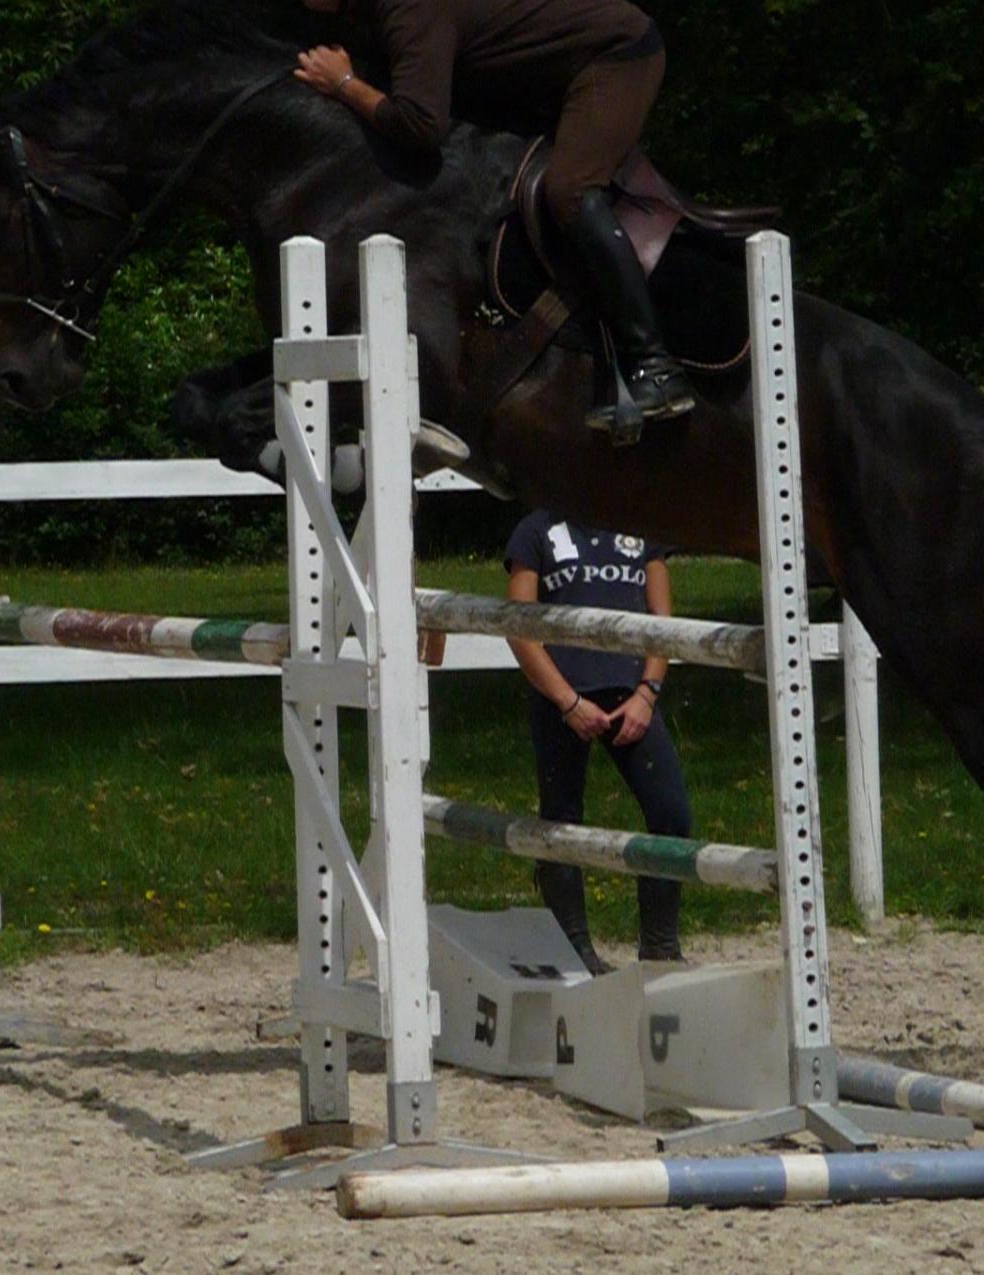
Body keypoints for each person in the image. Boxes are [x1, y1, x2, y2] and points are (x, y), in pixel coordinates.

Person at [294, 0, 696, 435]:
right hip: (549, 75)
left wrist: (345, 84)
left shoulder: (408, 10)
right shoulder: (377, 15)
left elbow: (421, 123)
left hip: (616, 53)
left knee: (571, 190)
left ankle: (656, 365)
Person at [504, 510, 689, 973]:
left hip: (631, 697)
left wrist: (647, 694)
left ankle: (660, 947)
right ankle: (574, 949)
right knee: (562, 822)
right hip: (561, 702)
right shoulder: (535, 532)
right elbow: (519, 627)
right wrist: (567, 703)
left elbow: (662, 620)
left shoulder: (641, 533)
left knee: (672, 814)